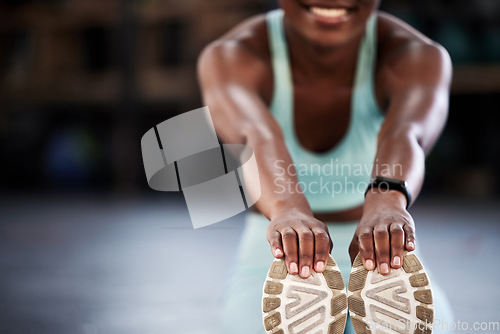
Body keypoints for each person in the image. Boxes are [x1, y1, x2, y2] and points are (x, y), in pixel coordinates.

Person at [198, 0, 454, 333]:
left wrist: (386, 203)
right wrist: (289, 211)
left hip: (389, 259)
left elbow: (407, 132)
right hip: (273, 261)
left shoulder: (419, 56)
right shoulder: (231, 56)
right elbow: (256, 136)